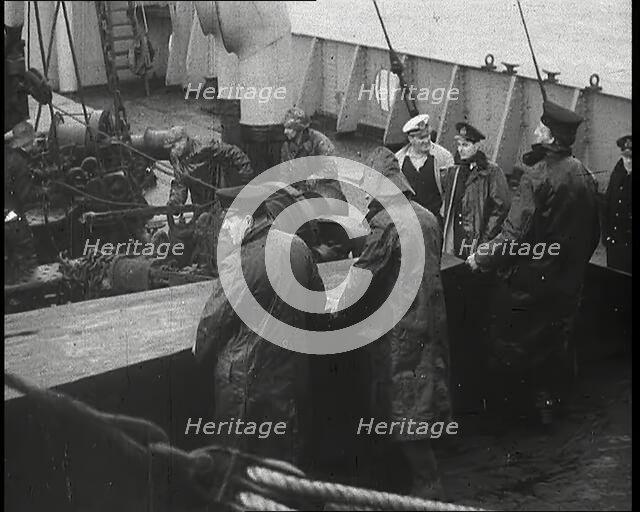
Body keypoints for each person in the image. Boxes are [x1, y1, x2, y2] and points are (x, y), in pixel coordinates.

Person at [466, 100, 600, 425]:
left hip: (528, 289)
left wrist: (478, 257)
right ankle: (549, 414)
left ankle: (510, 423)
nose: (535, 130)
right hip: (566, 285)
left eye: (542, 128)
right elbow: (592, 234)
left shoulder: (535, 177)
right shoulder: (583, 173)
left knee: (510, 348)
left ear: (552, 139)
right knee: (555, 350)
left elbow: (513, 236)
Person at [332, 147, 451, 498]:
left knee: (403, 407)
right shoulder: (428, 217)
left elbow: (361, 279)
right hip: (430, 324)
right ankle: (415, 482)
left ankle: (427, 490)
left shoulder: (386, 222)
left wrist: (333, 305)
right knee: (420, 402)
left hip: (400, 331)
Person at [193, 184, 326, 465]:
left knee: (236, 465)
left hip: (243, 387)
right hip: (287, 379)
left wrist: (198, 361)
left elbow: (210, 328)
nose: (225, 230)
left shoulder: (239, 262)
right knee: (280, 460)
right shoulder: (299, 248)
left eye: (230, 222)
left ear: (249, 221)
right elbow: (318, 308)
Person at [164, 128, 255, 272]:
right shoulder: (176, 158)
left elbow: (234, 153)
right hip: (199, 203)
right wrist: (175, 201)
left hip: (219, 197)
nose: (173, 151)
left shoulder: (205, 146)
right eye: (171, 148)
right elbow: (180, 183)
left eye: (175, 146)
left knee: (213, 233)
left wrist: (245, 176)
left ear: (184, 140)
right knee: (190, 233)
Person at [441, 122, 510, 258]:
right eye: (459, 145)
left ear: (477, 146)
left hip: (477, 238)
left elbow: (501, 207)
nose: (460, 149)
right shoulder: (455, 171)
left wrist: (486, 240)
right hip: (456, 235)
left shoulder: (491, 172)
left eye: (465, 145)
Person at [279, 107, 347, 209]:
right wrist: (288, 189)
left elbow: (331, 168)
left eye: (289, 128)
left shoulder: (320, 142)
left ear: (299, 129)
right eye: (285, 127)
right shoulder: (286, 146)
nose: (285, 131)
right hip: (300, 191)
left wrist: (315, 177)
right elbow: (283, 174)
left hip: (324, 187)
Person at [394, 114, 455, 225]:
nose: (426, 141)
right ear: (411, 139)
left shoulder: (443, 157)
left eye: (427, 136)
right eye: (421, 138)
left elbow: (451, 191)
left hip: (435, 222)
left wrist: (442, 216)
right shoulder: (399, 159)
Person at [603, 134, 632, 274]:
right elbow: (607, 206)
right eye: (625, 156)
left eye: (631, 157)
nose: (628, 161)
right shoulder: (617, 174)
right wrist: (606, 237)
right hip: (615, 241)